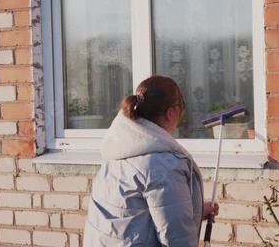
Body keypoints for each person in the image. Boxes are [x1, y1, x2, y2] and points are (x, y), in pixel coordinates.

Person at [84, 75, 219, 246]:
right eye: (182, 105)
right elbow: (176, 238)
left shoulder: (118, 148)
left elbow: (131, 215)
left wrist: (196, 213)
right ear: (170, 113)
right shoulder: (163, 164)